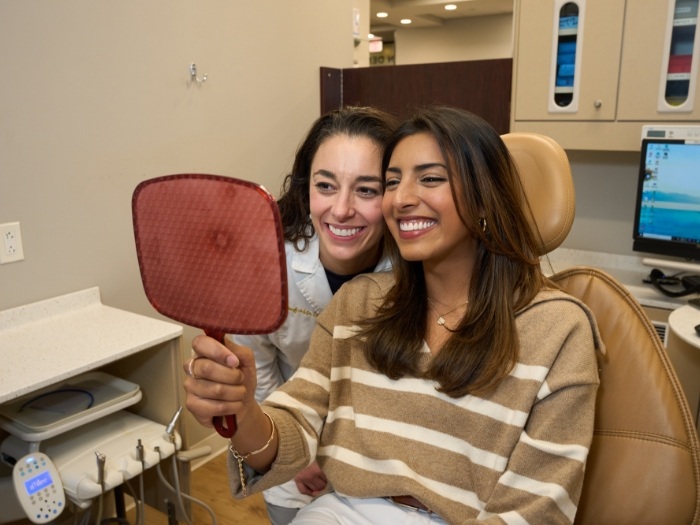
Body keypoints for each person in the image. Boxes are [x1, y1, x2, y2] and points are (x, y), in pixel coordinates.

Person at [184, 106, 601, 524]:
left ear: (484, 197)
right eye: (392, 182)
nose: (400, 199)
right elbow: (295, 419)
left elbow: (537, 509)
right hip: (338, 510)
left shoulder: (559, 330)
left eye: (431, 178)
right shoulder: (360, 302)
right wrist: (243, 413)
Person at [227, 106, 398, 524]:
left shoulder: (412, 269)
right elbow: (260, 368)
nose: (341, 210)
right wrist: (295, 453)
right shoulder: (268, 263)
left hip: (379, 452)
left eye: (367, 190)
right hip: (287, 427)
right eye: (326, 185)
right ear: (306, 189)